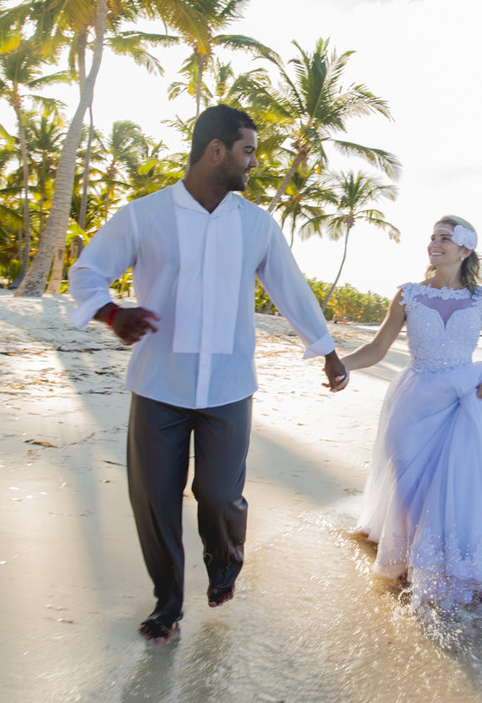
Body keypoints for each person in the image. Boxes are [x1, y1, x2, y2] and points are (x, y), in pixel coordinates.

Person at [67, 104, 349, 643]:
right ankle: (167, 604)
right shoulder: (142, 215)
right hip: (158, 384)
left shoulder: (256, 224)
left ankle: (224, 566)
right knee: (155, 501)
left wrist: (327, 348)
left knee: (220, 496)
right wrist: (111, 313)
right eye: (247, 152)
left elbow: (291, 288)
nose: (252, 165)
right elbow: (87, 274)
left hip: (228, 386)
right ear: (215, 151)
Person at [340, 216, 482, 608]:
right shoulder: (408, 294)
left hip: (463, 401)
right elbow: (377, 349)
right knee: (407, 482)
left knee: (452, 485)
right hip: (412, 402)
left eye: (444, 238)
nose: (434, 244)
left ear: (465, 250)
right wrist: (341, 365)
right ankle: (409, 559)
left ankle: (440, 562)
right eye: (432, 237)